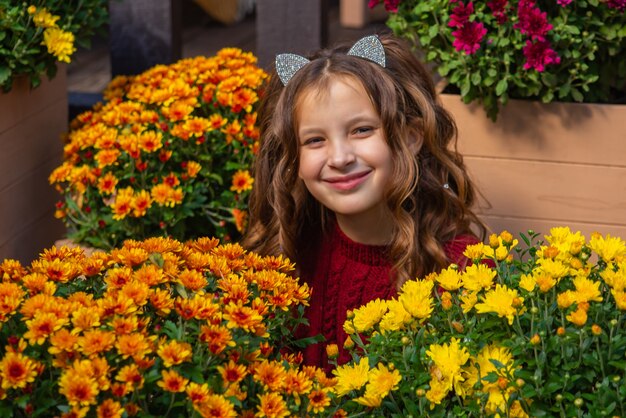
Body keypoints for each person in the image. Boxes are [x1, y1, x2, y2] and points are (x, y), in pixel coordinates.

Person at [242, 33, 487, 370]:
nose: (340, 157)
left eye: (361, 130)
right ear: (292, 159)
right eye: (315, 140)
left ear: (411, 137)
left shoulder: (460, 268)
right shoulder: (290, 253)